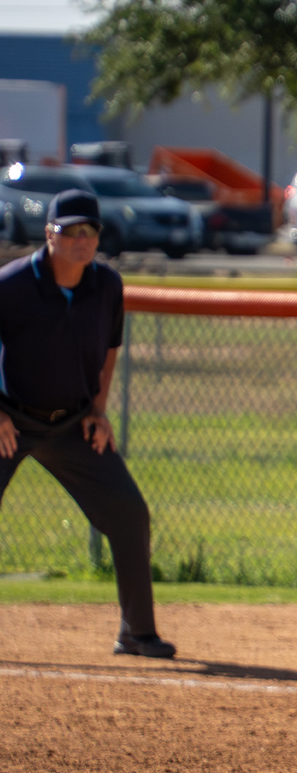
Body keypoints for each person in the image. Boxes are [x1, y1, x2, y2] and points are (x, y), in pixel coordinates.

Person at [0, 190, 174, 658]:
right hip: (10, 420)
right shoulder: (11, 284)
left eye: (90, 231)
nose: (81, 239)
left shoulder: (107, 286)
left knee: (129, 510)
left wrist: (98, 411)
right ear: (49, 233)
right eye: (71, 230)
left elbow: (110, 350)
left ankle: (136, 632)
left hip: (73, 423)